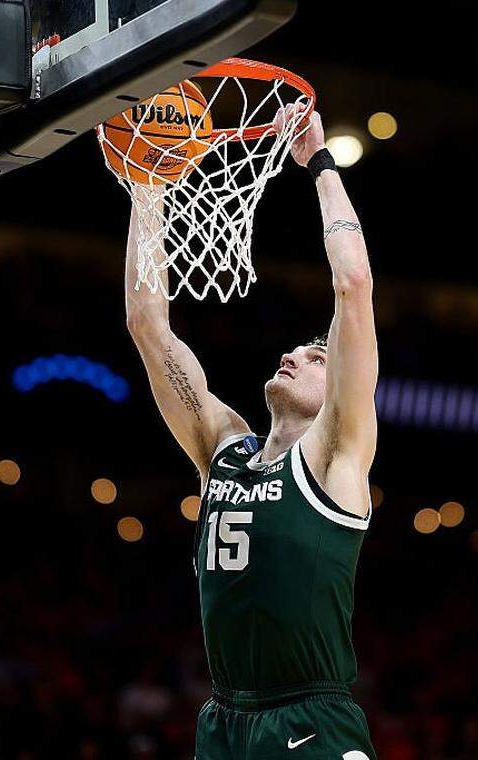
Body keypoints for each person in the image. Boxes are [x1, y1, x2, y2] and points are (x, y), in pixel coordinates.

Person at [124, 104, 379, 759]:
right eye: (295, 350)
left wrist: (318, 162)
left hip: (311, 720)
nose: (294, 355)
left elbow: (352, 284)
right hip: (224, 722)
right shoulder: (222, 448)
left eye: (317, 356)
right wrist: (148, 181)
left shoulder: (335, 453)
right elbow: (149, 326)